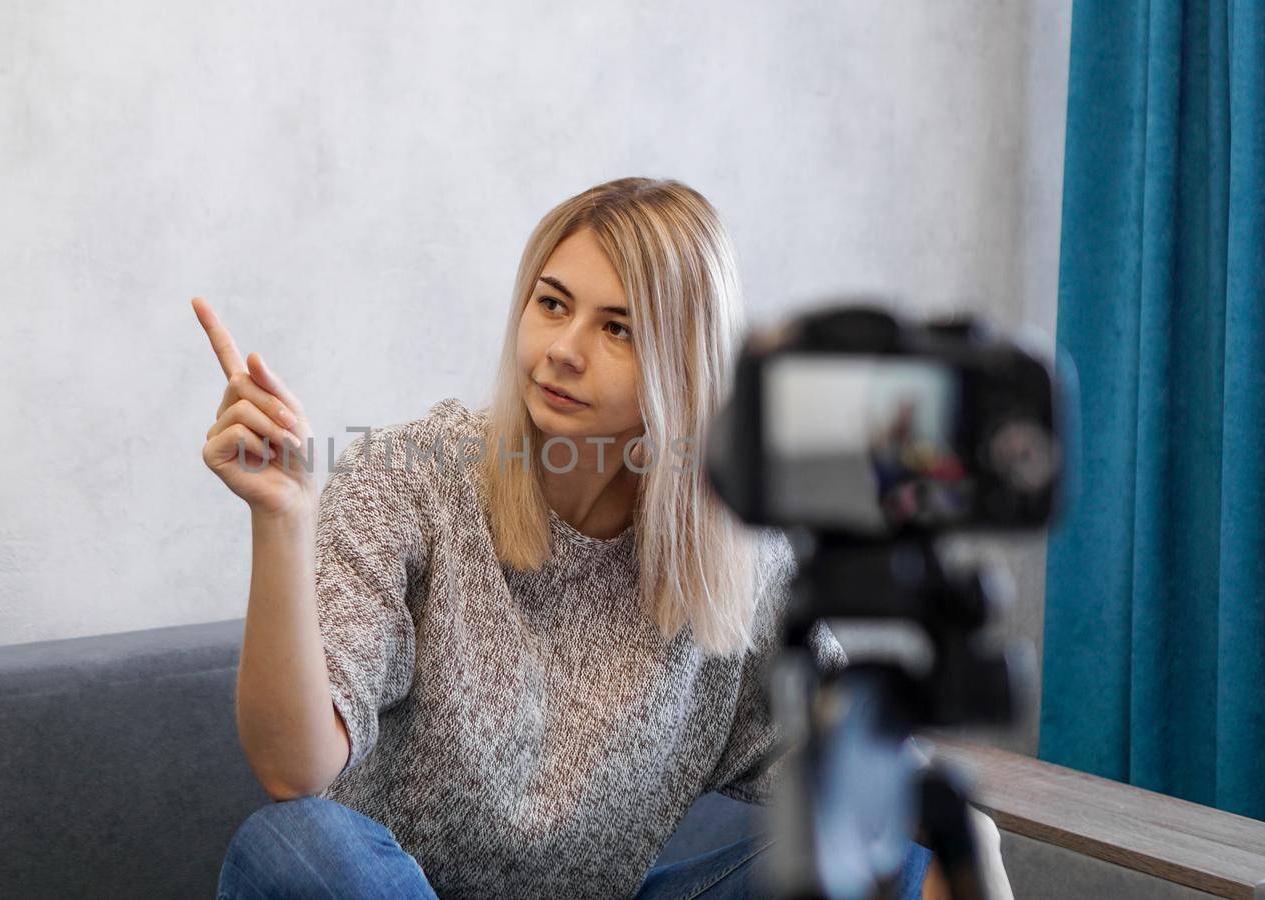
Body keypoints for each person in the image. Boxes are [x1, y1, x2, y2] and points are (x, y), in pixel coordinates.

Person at [196, 177, 1001, 898]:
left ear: (686, 365)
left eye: (618, 328)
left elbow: (870, 791)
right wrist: (283, 518)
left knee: (896, 858)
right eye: (551, 304)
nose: (563, 351)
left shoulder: (741, 560)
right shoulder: (411, 478)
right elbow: (293, 767)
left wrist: (968, 843)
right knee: (297, 843)